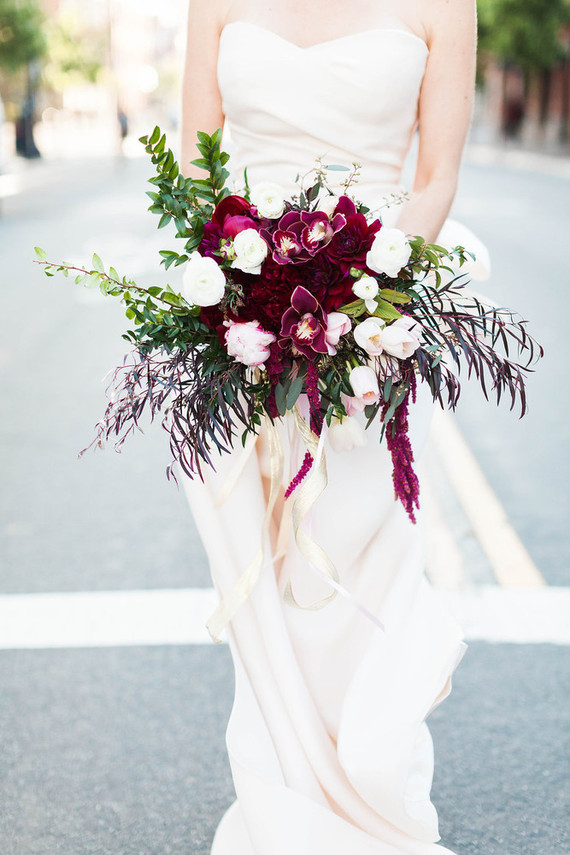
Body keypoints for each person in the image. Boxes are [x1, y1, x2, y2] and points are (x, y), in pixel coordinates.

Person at [179, 2, 489, 853]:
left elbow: (436, 179)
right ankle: (284, 797)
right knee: (268, 572)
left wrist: (359, 298)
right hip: (243, 327)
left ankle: (372, 790)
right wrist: (241, 294)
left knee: (364, 576)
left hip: (371, 329)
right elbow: (196, 181)